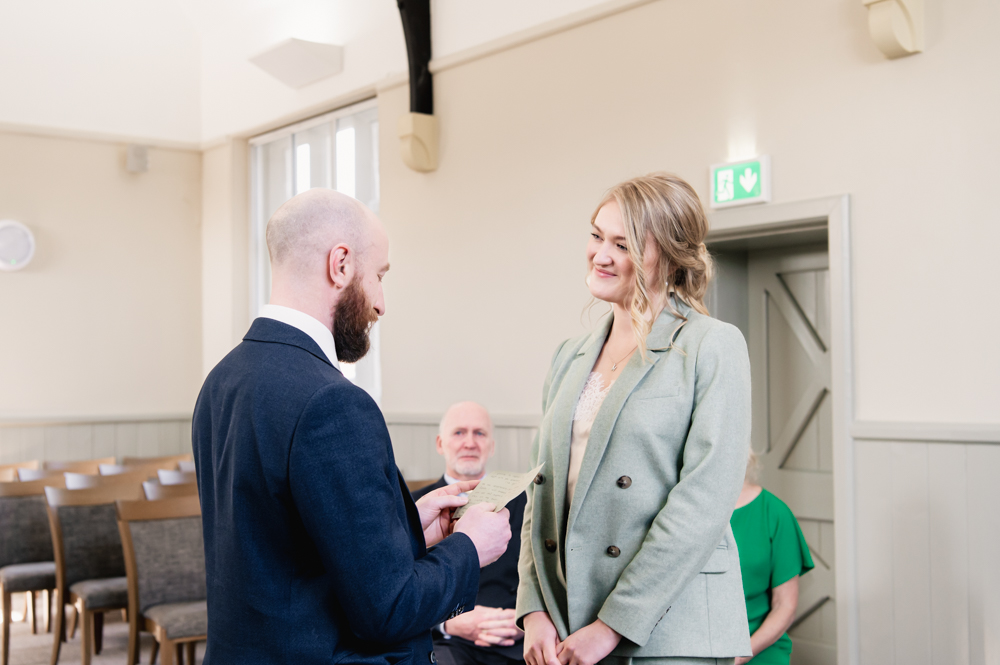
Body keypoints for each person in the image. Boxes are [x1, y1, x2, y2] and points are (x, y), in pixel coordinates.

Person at [193, 188, 512, 665]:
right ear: (340, 264)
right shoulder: (333, 401)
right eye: (379, 276)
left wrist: (404, 530)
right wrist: (470, 547)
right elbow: (388, 610)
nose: (382, 304)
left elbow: (284, 556)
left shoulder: (221, 380)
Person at [516, 173, 753, 665]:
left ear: (668, 257)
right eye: (596, 235)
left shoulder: (712, 345)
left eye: (622, 244)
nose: (601, 254)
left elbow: (704, 502)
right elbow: (540, 488)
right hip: (569, 616)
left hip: (669, 625)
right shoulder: (568, 355)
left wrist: (612, 625)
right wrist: (534, 606)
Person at [412, 402, 527, 665]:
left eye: (480, 433)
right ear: (440, 444)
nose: (470, 443)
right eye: (459, 433)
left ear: (491, 446)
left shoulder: (525, 503)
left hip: (515, 642)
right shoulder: (413, 506)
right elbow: (400, 588)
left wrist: (527, 618)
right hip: (446, 645)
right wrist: (447, 624)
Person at [730, 452, 814, 665]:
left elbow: (784, 605)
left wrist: (739, 657)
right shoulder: (682, 511)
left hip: (757, 649)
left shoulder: (774, 512)